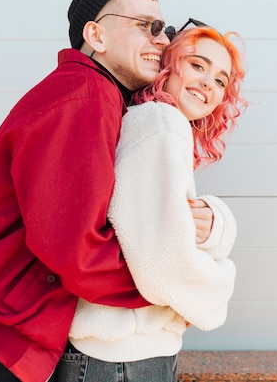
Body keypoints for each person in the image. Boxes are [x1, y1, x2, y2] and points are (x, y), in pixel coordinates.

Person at [0, 0, 213, 382]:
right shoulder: (86, 96)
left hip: (0, 340)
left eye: (166, 30)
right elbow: (77, 252)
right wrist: (172, 294)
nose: (163, 41)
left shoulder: (104, 98)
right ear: (96, 36)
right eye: (145, 26)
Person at [55, 25, 248, 381]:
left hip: (119, 353)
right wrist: (216, 294)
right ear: (167, 66)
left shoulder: (152, 123)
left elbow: (151, 231)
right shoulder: (161, 122)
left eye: (221, 81)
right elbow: (163, 262)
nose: (208, 83)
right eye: (197, 65)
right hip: (122, 359)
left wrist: (217, 225)